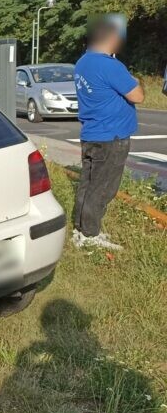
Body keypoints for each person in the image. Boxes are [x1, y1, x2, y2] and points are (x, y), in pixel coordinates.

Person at [71, 14, 143, 249]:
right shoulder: (110, 66)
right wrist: (134, 79)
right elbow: (138, 95)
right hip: (112, 136)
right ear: (111, 38)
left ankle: (80, 229)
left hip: (91, 133)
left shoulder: (82, 63)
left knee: (88, 183)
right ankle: (91, 234)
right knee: (103, 187)